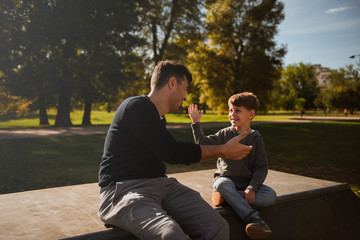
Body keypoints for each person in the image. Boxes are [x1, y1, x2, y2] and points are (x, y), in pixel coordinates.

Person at [97, 60, 253, 240]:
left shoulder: (157, 117)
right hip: (124, 190)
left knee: (216, 226)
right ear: (172, 83)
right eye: (185, 88)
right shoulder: (136, 106)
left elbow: (168, 150)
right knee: (170, 235)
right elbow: (171, 152)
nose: (186, 97)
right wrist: (224, 150)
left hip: (161, 185)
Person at [188, 92, 277, 240]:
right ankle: (253, 218)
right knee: (221, 183)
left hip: (246, 185)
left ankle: (227, 198)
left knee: (270, 196)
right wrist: (196, 124)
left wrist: (252, 188)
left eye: (237, 110)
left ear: (251, 114)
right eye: (230, 110)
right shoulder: (224, 134)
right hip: (227, 181)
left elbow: (261, 167)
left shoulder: (256, 138)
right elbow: (202, 143)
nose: (232, 114)